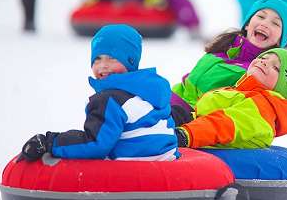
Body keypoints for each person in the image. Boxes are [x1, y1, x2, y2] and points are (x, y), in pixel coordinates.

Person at [18, 24, 179, 162]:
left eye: (111, 58)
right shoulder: (148, 91)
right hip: (165, 160)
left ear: (130, 62)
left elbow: (96, 143)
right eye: (97, 59)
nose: (103, 65)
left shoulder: (110, 99)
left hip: (134, 167)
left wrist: (50, 143)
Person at [171, 0, 287, 120]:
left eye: (275, 23)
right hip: (172, 102)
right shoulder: (224, 48)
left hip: (191, 118)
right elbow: (187, 84)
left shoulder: (260, 72)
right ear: (247, 24)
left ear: (279, 41)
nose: (264, 24)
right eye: (261, 16)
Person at [174, 48, 287, 149]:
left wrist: (186, 134)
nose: (264, 62)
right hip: (197, 129)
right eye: (264, 57)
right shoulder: (239, 91)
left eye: (276, 68)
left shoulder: (265, 106)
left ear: (281, 88)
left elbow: (225, 124)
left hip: (204, 141)